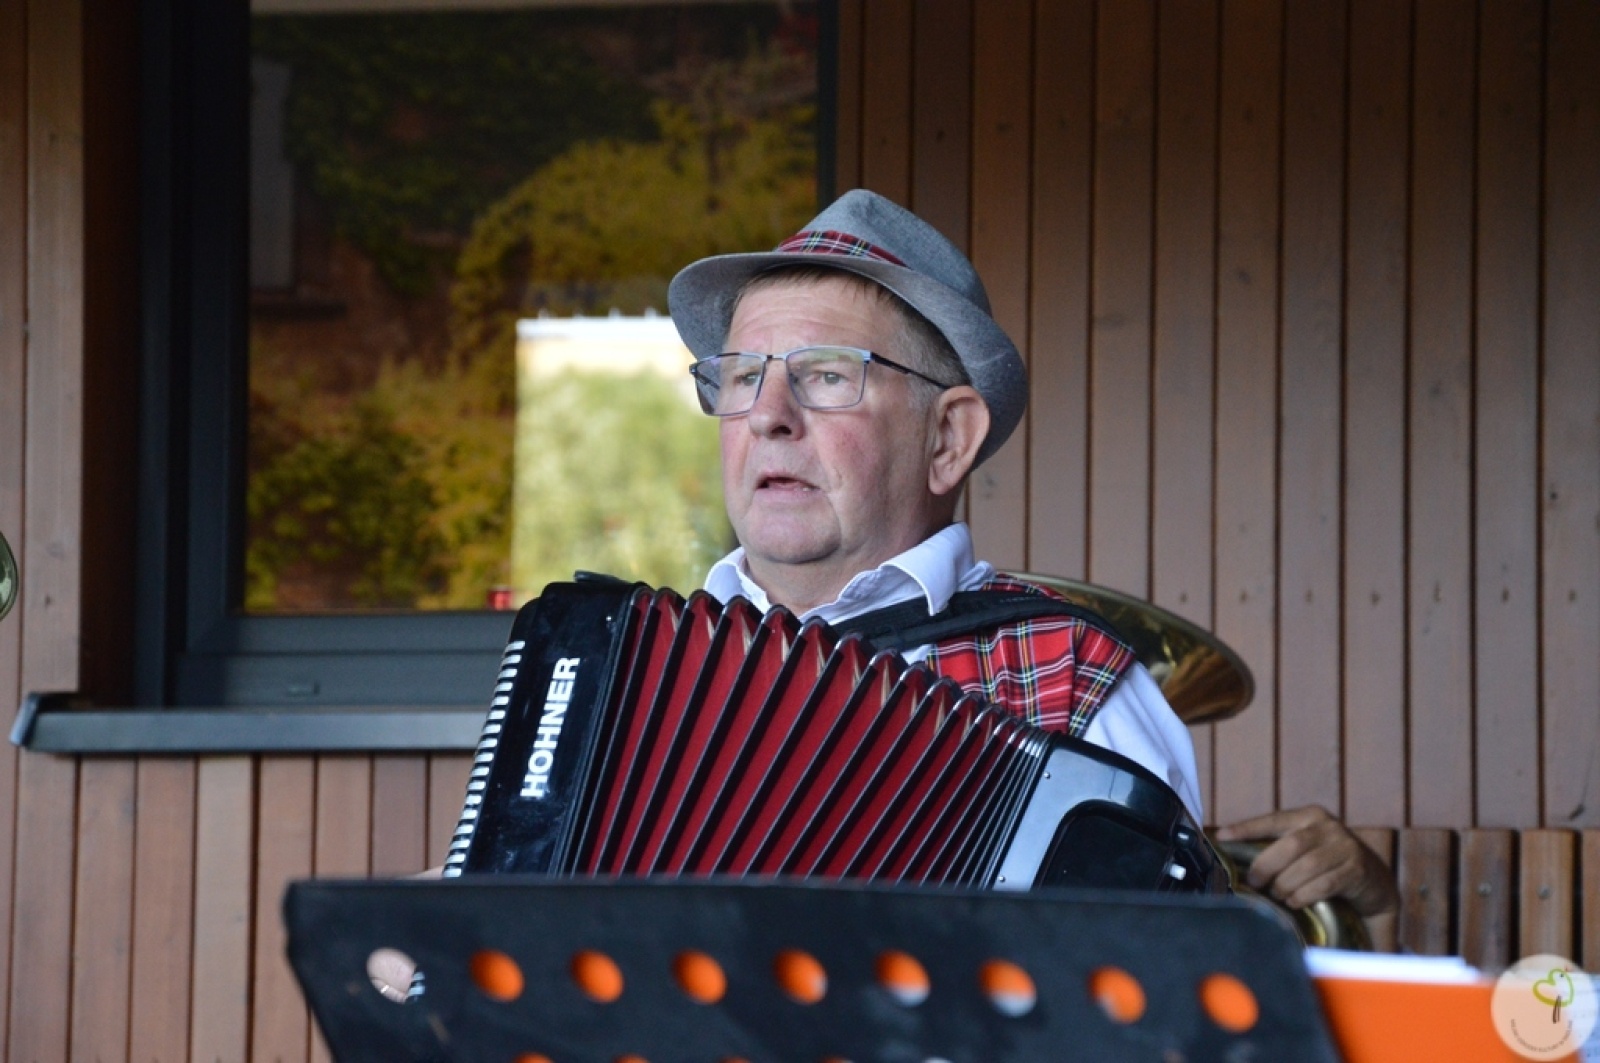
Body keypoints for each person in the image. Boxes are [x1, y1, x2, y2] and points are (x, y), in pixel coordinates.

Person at [667, 187, 1397, 918]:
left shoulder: (1078, 682)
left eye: (825, 375)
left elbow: (1142, 1001)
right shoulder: (639, 666)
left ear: (948, 438)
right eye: (741, 375)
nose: (766, 415)